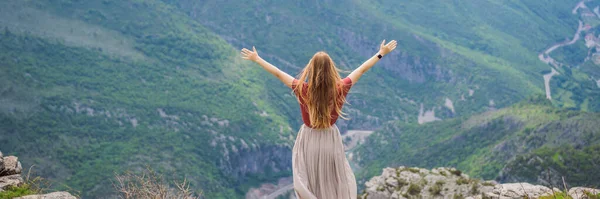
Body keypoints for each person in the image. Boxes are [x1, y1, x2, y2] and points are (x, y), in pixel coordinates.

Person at [241, 40, 397, 199]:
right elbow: (362, 69)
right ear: (331, 69)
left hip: (309, 139)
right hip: (330, 139)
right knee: (331, 179)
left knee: (309, 179)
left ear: (311, 69)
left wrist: (257, 59)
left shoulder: (302, 89)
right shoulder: (341, 88)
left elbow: (278, 73)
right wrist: (381, 53)